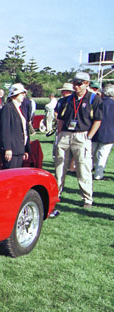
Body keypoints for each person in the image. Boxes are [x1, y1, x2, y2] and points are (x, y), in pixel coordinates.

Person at [55, 72, 103, 209]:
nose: (75, 86)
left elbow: (98, 120)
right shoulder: (67, 100)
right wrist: (59, 135)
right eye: (74, 83)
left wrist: (88, 137)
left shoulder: (94, 99)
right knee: (59, 166)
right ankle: (56, 193)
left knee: (83, 168)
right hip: (65, 134)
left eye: (79, 83)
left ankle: (87, 198)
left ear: (87, 84)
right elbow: (61, 119)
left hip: (82, 135)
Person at [0, 83, 30, 169]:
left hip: (19, 149)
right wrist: (7, 148)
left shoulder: (21, 108)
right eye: (22, 93)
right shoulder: (7, 108)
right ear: (15, 95)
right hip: (12, 150)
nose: (24, 95)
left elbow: (24, 129)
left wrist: (25, 149)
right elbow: (5, 129)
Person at [92, 84, 114, 180]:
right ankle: (98, 174)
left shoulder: (97, 103)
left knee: (90, 154)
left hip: (95, 131)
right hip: (109, 133)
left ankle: (87, 171)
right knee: (103, 155)